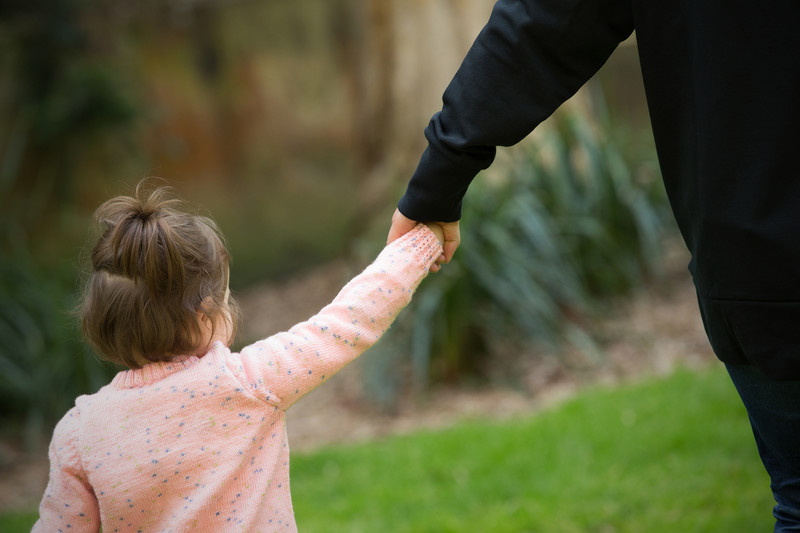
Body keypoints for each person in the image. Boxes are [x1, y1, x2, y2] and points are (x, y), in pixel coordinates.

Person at [387, 1, 800, 530]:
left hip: (763, 258)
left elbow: (548, 19)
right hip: (770, 269)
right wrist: (437, 176)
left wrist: (437, 179)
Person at [33, 182, 444, 532]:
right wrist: (423, 240)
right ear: (203, 313)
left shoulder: (80, 435)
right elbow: (347, 322)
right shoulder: (248, 382)